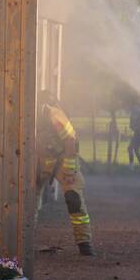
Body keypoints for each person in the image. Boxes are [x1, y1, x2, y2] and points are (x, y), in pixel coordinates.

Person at [36, 90, 95, 256]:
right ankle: (24, 243)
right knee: (27, 203)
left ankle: (85, 244)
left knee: (73, 199)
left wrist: (69, 168)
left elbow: (70, 140)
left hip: (63, 160)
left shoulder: (55, 115)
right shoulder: (25, 114)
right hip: (40, 161)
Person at [127, 100, 140, 169]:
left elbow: (137, 124)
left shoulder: (137, 110)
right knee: (135, 149)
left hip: (139, 132)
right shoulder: (137, 110)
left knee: (131, 148)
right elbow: (132, 125)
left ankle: (133, 165)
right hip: (138, 132)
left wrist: (137, 128)